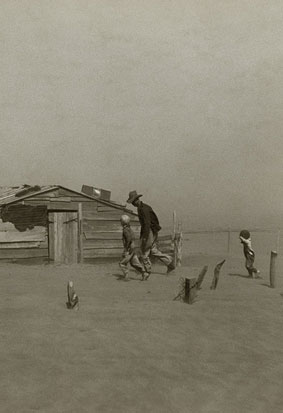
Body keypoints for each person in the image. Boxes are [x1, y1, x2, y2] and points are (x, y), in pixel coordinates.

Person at [127, 190, 175, 277]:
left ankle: (147, 271)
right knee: (153, 250)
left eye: (133, 201)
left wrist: (145, 237)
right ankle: (170, 262)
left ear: (136, 200)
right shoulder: (140, 208)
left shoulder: (144, 209)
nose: (132, 204)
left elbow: (147, 224)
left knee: (144, 252)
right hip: (151, 231)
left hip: (150, 231)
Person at [119, 214, 149, 281]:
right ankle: (144, 273)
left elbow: (128, 239)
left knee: (122, 263)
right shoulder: (130, 229)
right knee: (134, 263)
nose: (120, 222)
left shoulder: (125, 230)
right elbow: (132, 238)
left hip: (129, 249)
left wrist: (126, 248)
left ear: (123, 222)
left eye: (121, 221)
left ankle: (126, 276)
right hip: (133, 248)